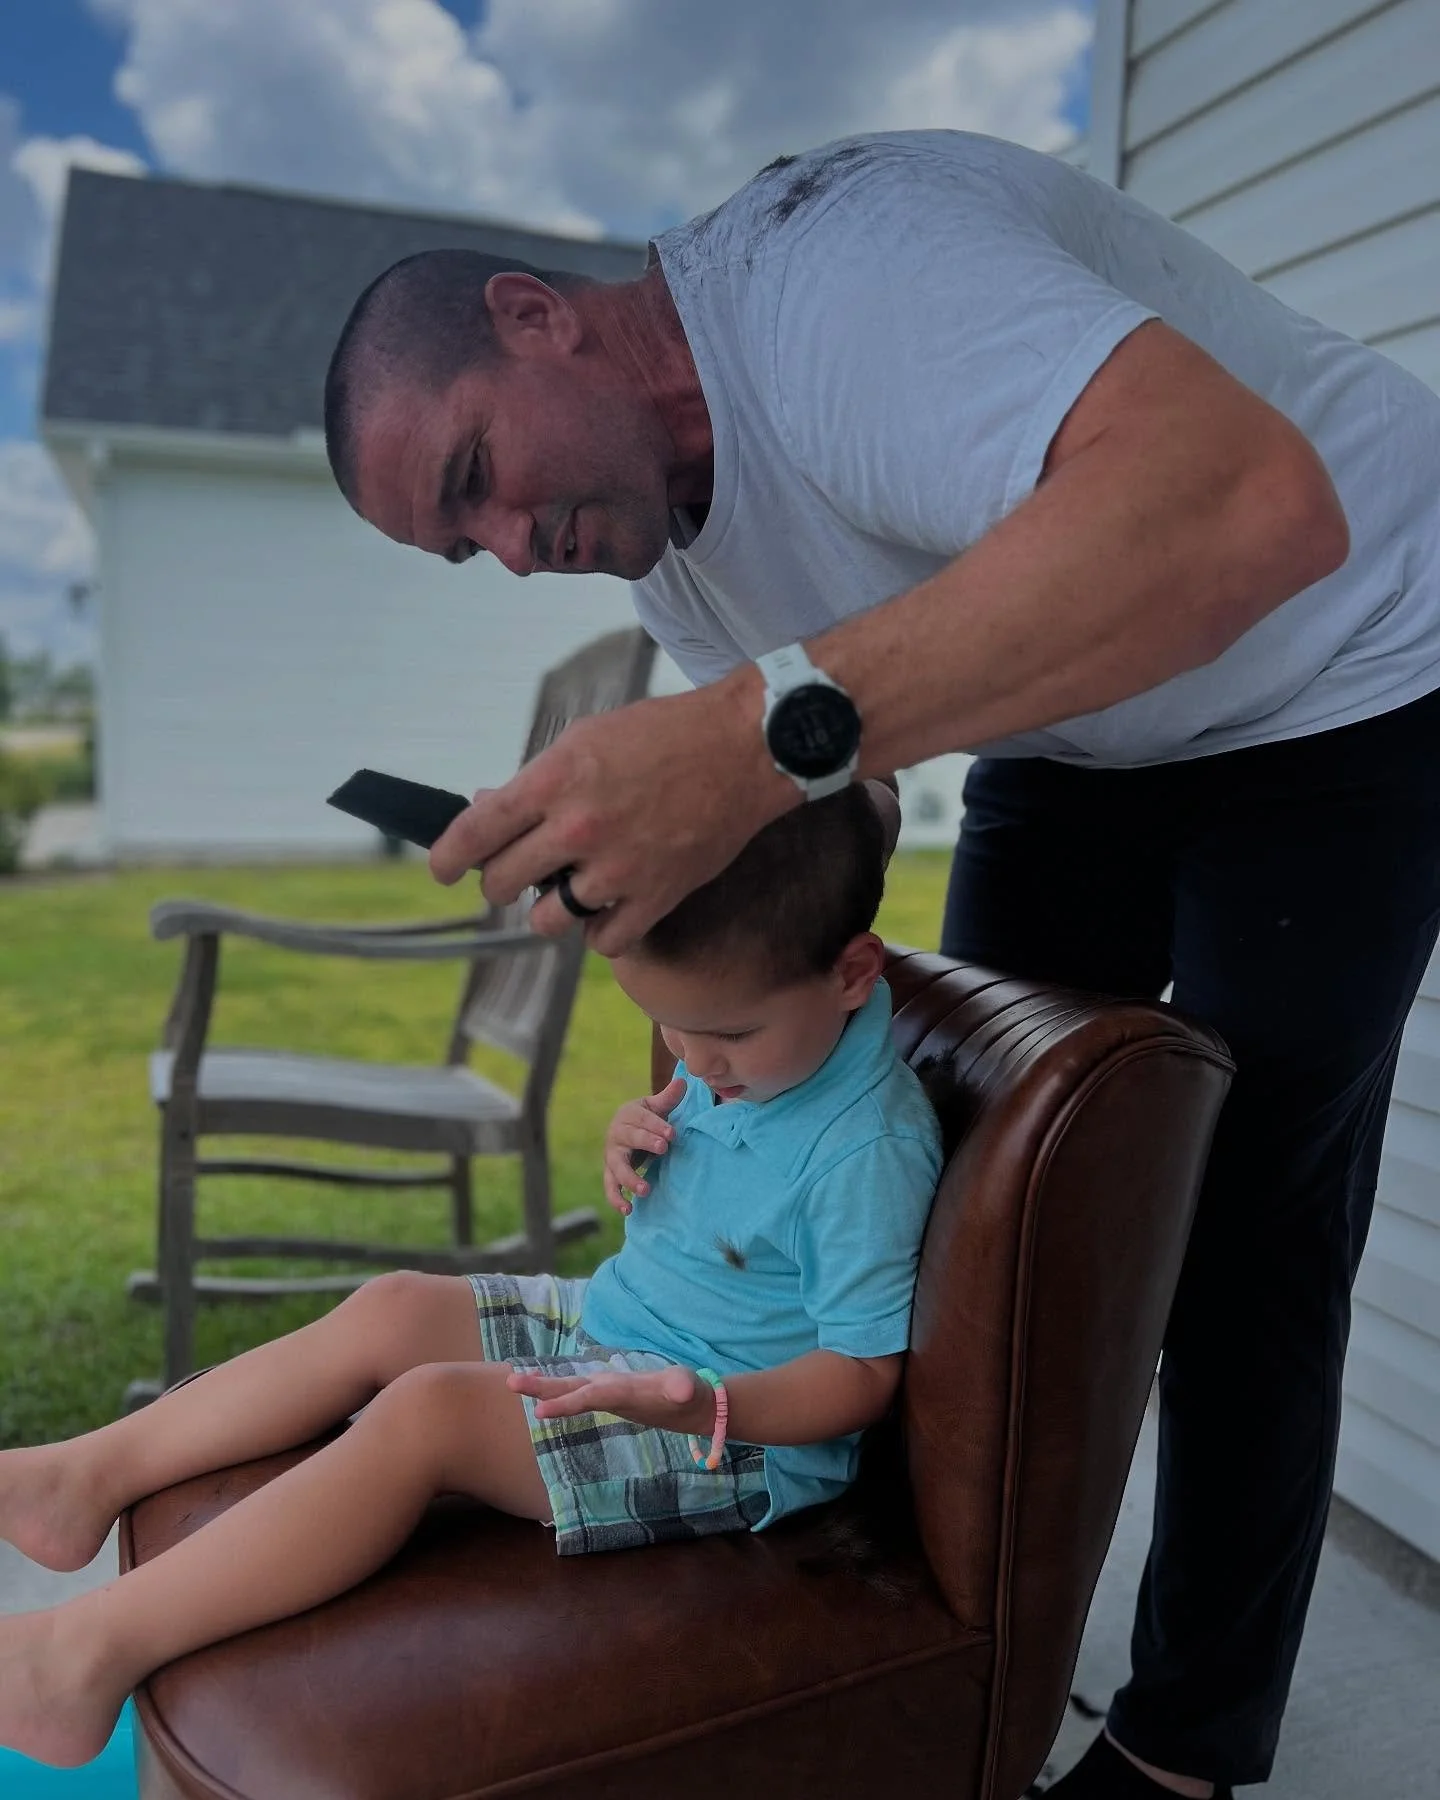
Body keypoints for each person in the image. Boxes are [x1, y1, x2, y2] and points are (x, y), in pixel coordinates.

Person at [320, 128, 1440, 1798]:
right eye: (462, 544)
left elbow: (1246, 505)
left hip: (1340, 665)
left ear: (534, 316)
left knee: (1240, 1225)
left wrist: (741, 743)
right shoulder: (670, 542)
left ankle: (1185, 1746)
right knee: (960, 1188)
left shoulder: (843, 283)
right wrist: (671, 937)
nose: (510, 544)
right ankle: (940, 1667)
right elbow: (824, 795)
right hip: (1074, 732)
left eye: (477, 470)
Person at [0, 788, 942, 1771]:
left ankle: (77, 1662)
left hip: (731, 1437)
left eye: (727, 1036)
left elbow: (861, 1375)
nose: (697, 1061)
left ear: (851, 973)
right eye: (669, 1025)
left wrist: (709, 1405)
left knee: (431, 1415)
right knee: (395, 1308)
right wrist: (633, 1138)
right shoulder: (765, 1043)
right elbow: (726, 1183)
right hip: (622, 1323)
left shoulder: (866, 1150)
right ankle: (79, 1479)